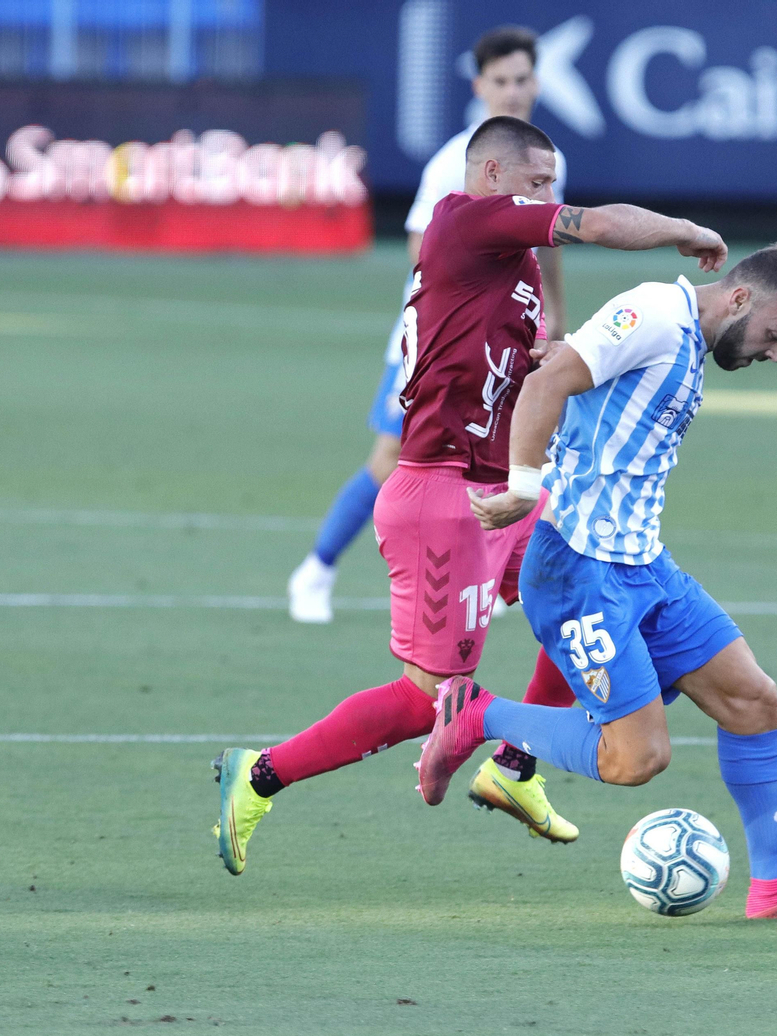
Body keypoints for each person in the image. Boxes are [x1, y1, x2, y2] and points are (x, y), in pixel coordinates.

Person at [213, 115, 727, 874]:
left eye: (551, 185)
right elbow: (595, 224)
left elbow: (504, 369)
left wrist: (552, 360)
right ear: (492, 176)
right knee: (428, 699)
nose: (547, 197)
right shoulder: (465, 221)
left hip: (496, 494)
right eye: (537, 182)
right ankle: (259, 776)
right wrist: (684, 230)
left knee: (580, 579)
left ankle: (515, 767)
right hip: (441, 499)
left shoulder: (514, 268)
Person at [418, 243, 777, 922]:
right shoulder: (656, 313)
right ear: (740, 298)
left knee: (753, 700)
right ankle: (478, 715)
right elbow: (546, 384)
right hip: (579, 570)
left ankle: (775, 887)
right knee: (635, 759)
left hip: (643, 565)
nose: (776, 353)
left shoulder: (687, 341)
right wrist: (524, 486)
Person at [287, 25, 568, 625]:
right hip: (435, 346)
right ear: (479, 86)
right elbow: (424, 248)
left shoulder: (544, 160)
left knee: (501, 454)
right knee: (392, 457)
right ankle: (316, 568)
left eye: (522, 79)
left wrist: (554, 319)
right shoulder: (454, 163)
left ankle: (491, 575)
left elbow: (547, 242)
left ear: (537, 83)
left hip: (504, 344)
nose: (513, 91)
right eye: (501, 80)